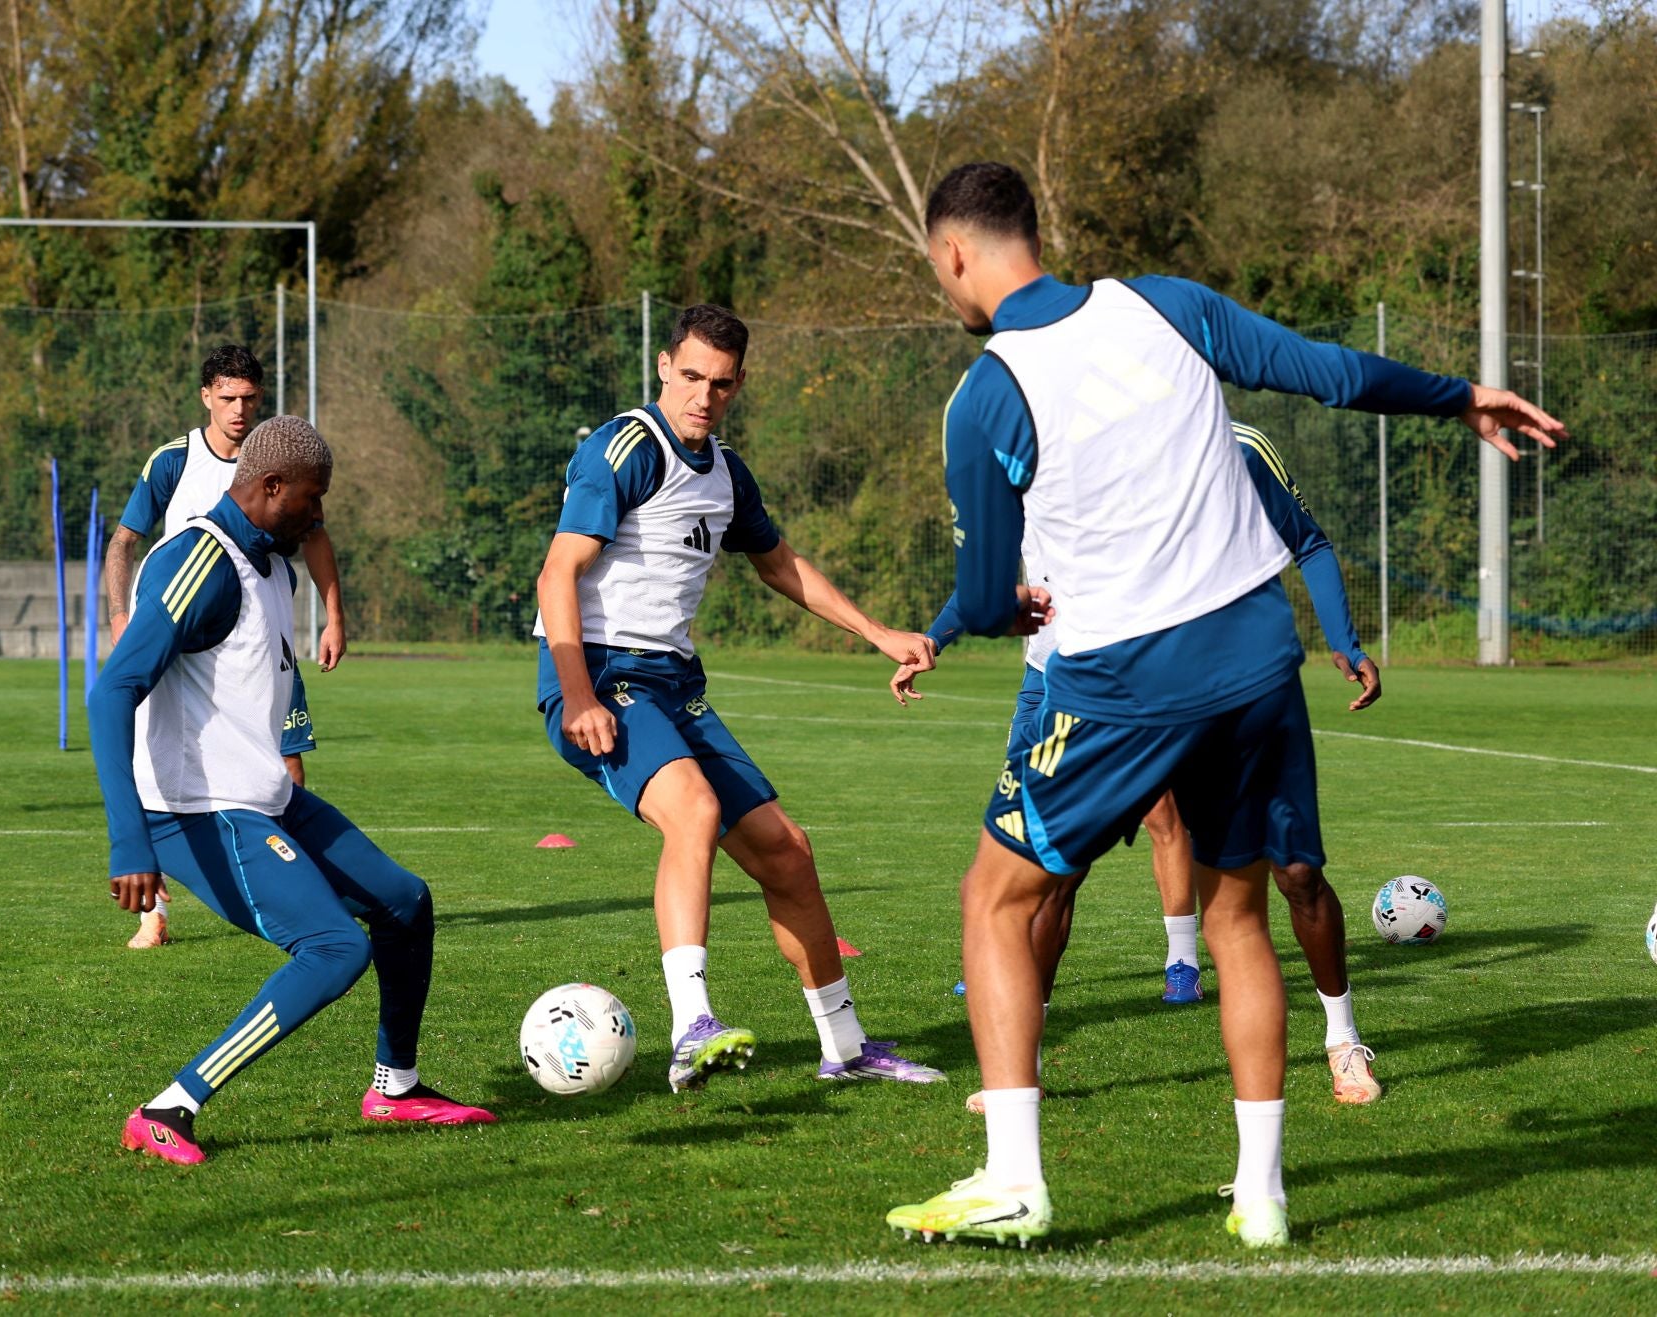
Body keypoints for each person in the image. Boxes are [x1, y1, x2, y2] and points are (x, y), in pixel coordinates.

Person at [883, 162, 1562, 1249]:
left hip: (1119, 681)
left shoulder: (988, 393)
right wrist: (1459, 395)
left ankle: (1013, 1175)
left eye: (937, 269)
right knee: (1239, 915)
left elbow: (982, 595)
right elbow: (1327, 373)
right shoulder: (1166, 304)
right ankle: (1262, 1197)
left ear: (955, 253)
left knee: (996, 899)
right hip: (1255, 661)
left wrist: (995, 607)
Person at [907, 422, 1387, 1108]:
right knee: (1051, 876)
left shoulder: (1234, 445)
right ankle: (1024, 1063)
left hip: (1224, 682)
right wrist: (940, 633)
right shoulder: (1044, 440)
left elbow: (1304, 539)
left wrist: (1342, 638)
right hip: (1073, 686)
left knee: (1295, 873)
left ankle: (1343, 1038)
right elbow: (996, 573)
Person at [532, 303, 947, 1094]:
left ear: (739, 385)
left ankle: (847, 1047)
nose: (703, 396)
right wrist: (579, 692)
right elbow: (559, 573)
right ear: (664, 367)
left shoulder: (726, 471)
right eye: (690, 376)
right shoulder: (623, 448)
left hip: (673, 685)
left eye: (721, 384)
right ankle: (692, 1025)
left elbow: (779, 564)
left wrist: (876, 630)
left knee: (787, 851)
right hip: (600, 676)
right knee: (693, 809)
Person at [88, 416, 494, 1166]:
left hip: (266, 795)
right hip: (194, 808)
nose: (320, 512)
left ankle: (396, 1087)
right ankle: (167, 1105)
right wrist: (128, 837)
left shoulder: (271, 565)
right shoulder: (199, 562)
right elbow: (112, 691)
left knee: (405, 901)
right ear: (270, 487)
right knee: (334, 947)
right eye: (313, 497)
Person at [104, 345, 347, 949]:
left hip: (263, 641)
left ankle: (296, 885)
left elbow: (316, 537)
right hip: (186, 647)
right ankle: (153, 912)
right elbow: (123, 542)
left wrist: (333, 614)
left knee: (289, 762)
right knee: (157, 767)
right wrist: (119, 615)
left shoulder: (280, 461)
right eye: (229, 397)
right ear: (206, 396)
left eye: (250, 399)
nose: (240, 409)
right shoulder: (174, 462)